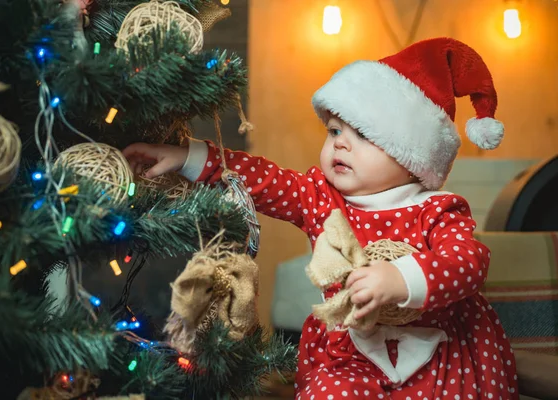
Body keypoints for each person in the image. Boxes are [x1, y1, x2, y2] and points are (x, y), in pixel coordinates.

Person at [122, 37, 518, 399]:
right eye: (333, 130)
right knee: (331, 391)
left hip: (444, 354)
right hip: (352, 352)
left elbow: (469, 262)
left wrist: (402, 278)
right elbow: (266, 181)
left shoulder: (438, 208)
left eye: (363, 134)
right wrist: (188, 157)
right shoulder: (321, 196)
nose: (340, 142)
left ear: (412, 156)